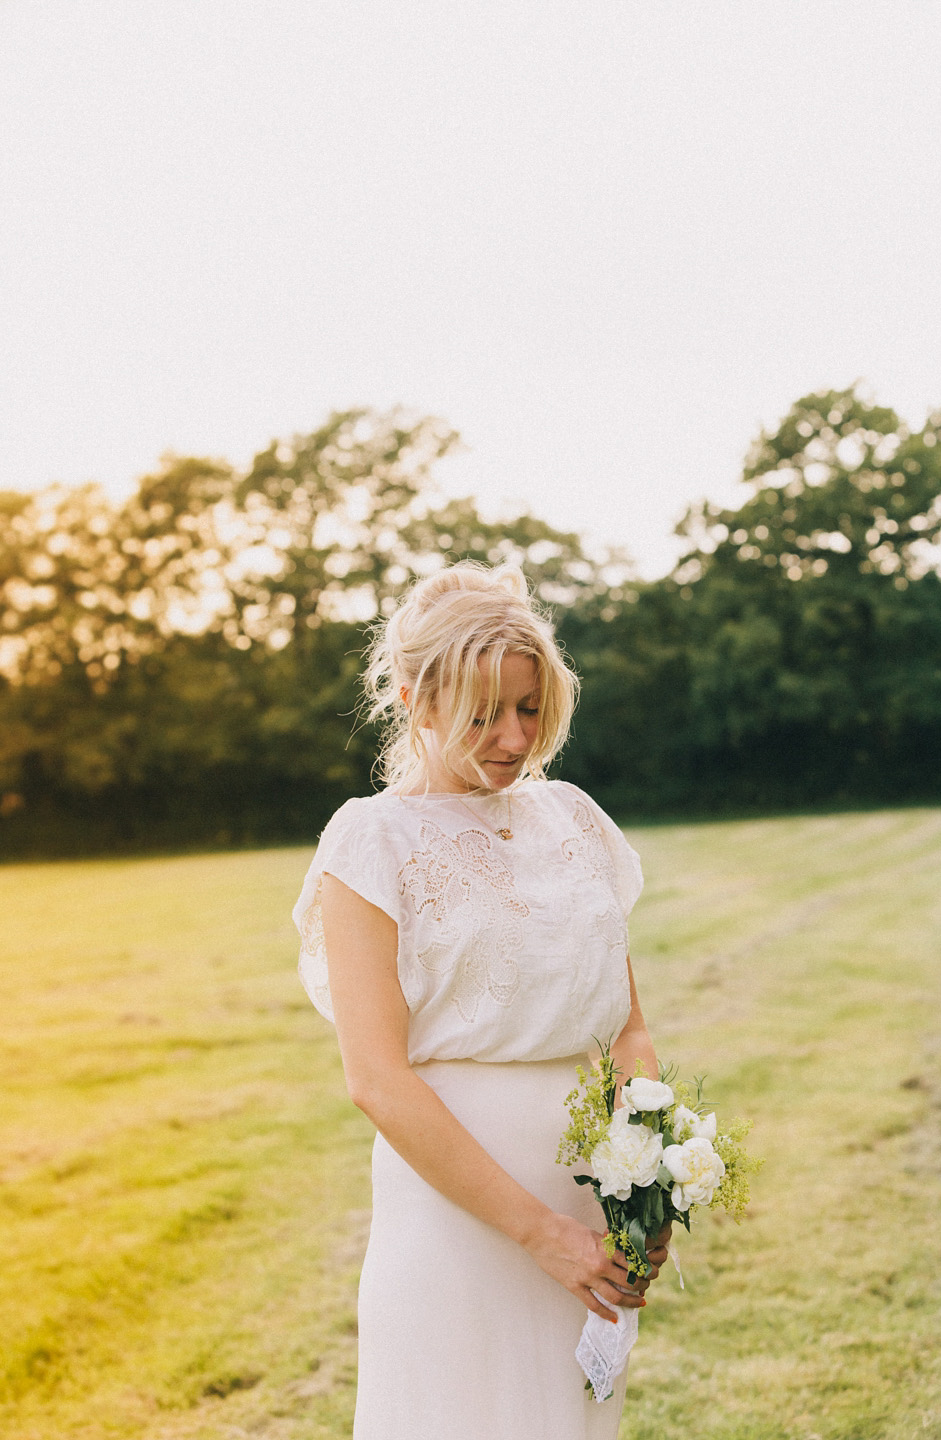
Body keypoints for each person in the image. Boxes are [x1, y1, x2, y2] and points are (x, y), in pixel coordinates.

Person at [294, 560, 669, 1440]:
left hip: (590, 1203)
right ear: (413, 699)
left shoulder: (575, 818)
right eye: (480, 712)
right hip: (458, 1221)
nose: (512, 737)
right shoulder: (369, 843)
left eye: (529, 708)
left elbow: (630, 1028)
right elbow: (378, 1081)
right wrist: (542, 1235)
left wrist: (645, 1190)